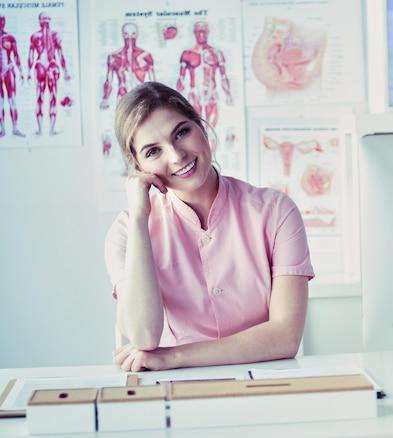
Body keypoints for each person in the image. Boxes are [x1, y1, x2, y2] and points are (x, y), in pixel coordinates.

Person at [104, 82, 314, 372]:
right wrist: (140, 216)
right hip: (172, 392)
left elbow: (285, 338)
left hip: (265, 384)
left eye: (181, 133)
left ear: (201, 127)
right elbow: (142, 336)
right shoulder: (127, 230)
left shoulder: (276, 211)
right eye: (153, 151)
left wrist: (173, 356)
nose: (176, 156)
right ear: (138, 166)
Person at [176, 21, 233, 131]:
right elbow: (181, 78)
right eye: (198, 31)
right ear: (194, 33)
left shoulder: (217, 53)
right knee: (197, 129)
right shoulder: (187, 54)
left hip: (211, 94)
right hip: (194, 94)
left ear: (208, 32)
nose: (201, 34)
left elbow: (223, 77)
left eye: (204, 31)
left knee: (211, 130)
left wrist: (228, 95)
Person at [27, 11, 71, 136]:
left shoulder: (56, 35)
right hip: (40, 66)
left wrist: (66, 71)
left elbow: (60, 54)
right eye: (43, 19)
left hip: (52, 67)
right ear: (39, 20)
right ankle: (40, 129)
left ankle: (51, 129)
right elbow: (31, 55)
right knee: (39, 97)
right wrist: (28, 72)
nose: (45, 21)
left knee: (53, 97)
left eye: (48, 19)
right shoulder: (35, 36)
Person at [0, 14, 24, 137]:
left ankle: (15, 128)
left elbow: (16, 55)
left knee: (12, 100)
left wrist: (21, 71)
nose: (2, 22)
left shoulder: (10, 38)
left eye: (3, 20)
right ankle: (2, 129)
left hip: (8, 70)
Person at [100, 22, 155, 110]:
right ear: (122, 35)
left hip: (142, 99)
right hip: (122, 98)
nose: (129, 37)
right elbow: (109, 81)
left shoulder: (145, 56)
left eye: (133, 34)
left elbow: (154, 84)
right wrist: (105, 99)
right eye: (126, 34)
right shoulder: (114, 57)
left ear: (137, 34)